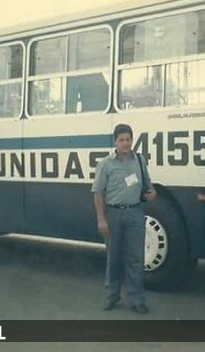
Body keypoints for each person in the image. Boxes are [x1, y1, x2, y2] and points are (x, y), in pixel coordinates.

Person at [91, 123, 157, 314]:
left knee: (136, 258)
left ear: (132, 140)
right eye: (121, 140)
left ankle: (137, 300)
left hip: (135, 213)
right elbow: (97, 193)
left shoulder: (139, 160)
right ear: (115, 142)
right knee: (114, 257)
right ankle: (111, 296)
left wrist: (152, 193)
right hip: (113, 214)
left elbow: (147, 184)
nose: (125, 143)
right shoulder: (106, 164)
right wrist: (101, 220)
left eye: (128, 139)